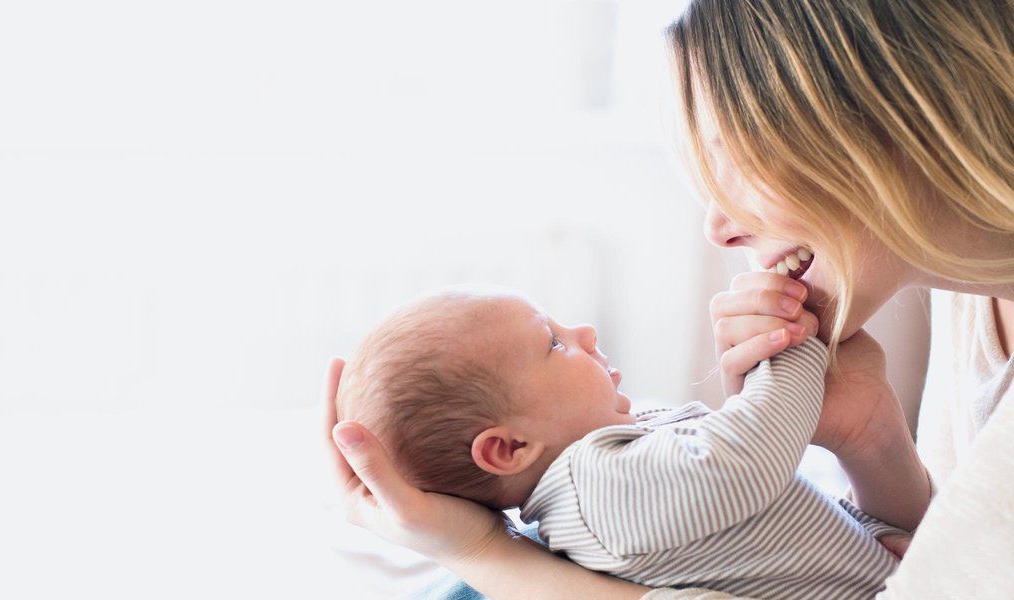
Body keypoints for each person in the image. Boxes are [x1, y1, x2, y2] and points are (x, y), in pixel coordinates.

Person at [324, 1, 1014, 597]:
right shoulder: (969, 287)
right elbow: (954, 566)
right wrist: (873, 440)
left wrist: (480, 553)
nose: (719, 226)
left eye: (736, 161)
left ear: (885, 135)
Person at [337, 287, 902, 598]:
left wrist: (878, 534)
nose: (584, 334)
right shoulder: (597, 490)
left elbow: (784, 521)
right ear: (509, 449)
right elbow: (748, 460)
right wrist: (793, 347)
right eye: (554, 344)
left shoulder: (611, 459)